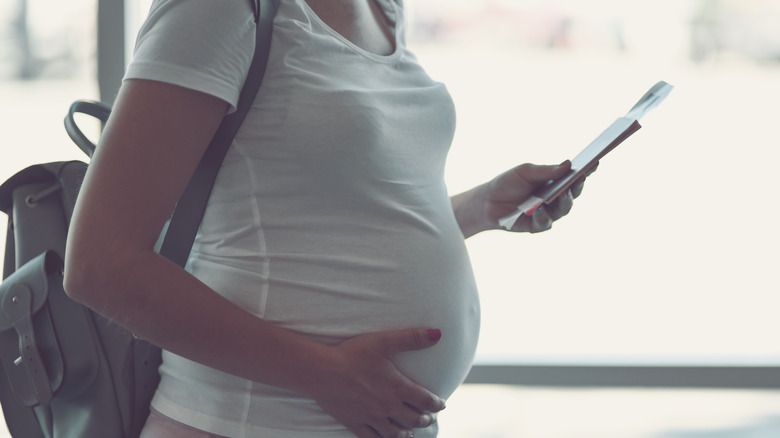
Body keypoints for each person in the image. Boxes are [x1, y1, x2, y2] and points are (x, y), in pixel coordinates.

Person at [63, 0, 588, 437]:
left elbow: (334, 212)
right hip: (247, 424)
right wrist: (323, 375)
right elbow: (101, 265)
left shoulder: (381, 7)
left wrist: (478, 208)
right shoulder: (219, 7)